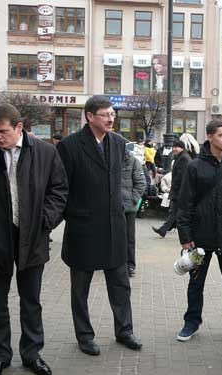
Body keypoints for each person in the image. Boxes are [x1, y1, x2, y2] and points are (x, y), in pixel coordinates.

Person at [0, 103, 68, 375]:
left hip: (33, 236)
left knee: (31, 300)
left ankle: (32, 354)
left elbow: (59, 190)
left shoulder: (45, 152)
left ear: (19, 127)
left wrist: (45, 221)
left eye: (2, 131)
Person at [57, 96, 142, 356]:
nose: (111, 118)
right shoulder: (70, 146)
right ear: (90, 116)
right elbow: (60, 188)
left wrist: (124, 203)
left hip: (114, 228)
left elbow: (124, 179)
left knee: (120, 285)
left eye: (112, 114)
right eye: (105, 114)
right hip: (83, 229)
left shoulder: (118, 144)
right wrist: (73, 214)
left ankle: (124, 331)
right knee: (80, 289)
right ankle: (84, 336)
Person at [176, 119, 222, 343]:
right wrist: (186, 238)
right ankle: (191, 322)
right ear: (209, 136)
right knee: (196, 284)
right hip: (200, 238)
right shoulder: (194, 166)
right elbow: (184, 204)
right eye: (221, 135)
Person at [153, 140, 190, 238]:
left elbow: (182, 176)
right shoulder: (180, 157)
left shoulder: (184, 158)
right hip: (178, 190)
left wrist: (177, 189)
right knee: (175, 211)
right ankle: (165, 229)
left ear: (182, 148)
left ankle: (164, 229)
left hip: (180, 191)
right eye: (173, 147)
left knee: (175, 211)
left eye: (176, 147)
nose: (174, 149)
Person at [121, 148, 146, 277]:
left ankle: (130, 265)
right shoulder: (108, 159)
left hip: (128, 208)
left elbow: (141, 183)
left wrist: (132, 200)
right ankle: (112, 263)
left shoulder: (133, 161)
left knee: (129, 238)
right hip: (111, 207)